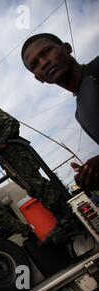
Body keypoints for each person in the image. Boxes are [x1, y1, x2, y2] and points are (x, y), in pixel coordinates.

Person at [0, 97, 74, 234]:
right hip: (6, 163)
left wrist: (2, 141)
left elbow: (12, 123)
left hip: (17, 153)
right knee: (31, 189)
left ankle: (67, 214)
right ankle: (60, 218)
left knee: (38, 184)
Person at [21, 33, 99, 191]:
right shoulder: (80, 113)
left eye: (46, 51)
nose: (43, 63)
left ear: (66, 48)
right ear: (39, 78)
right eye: (35, 64)